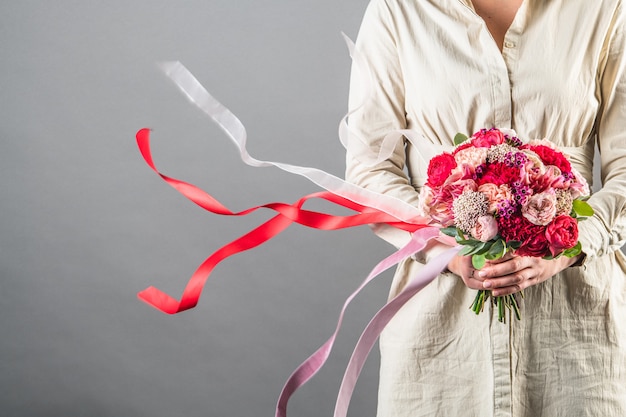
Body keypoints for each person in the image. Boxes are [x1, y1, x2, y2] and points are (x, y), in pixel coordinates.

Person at [344, 0, 626, 416]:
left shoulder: (605, 7)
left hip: (577, 329)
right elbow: (368, 170)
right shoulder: (397, 8)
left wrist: (568, 247)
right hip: (441, 328)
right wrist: (447, 249)